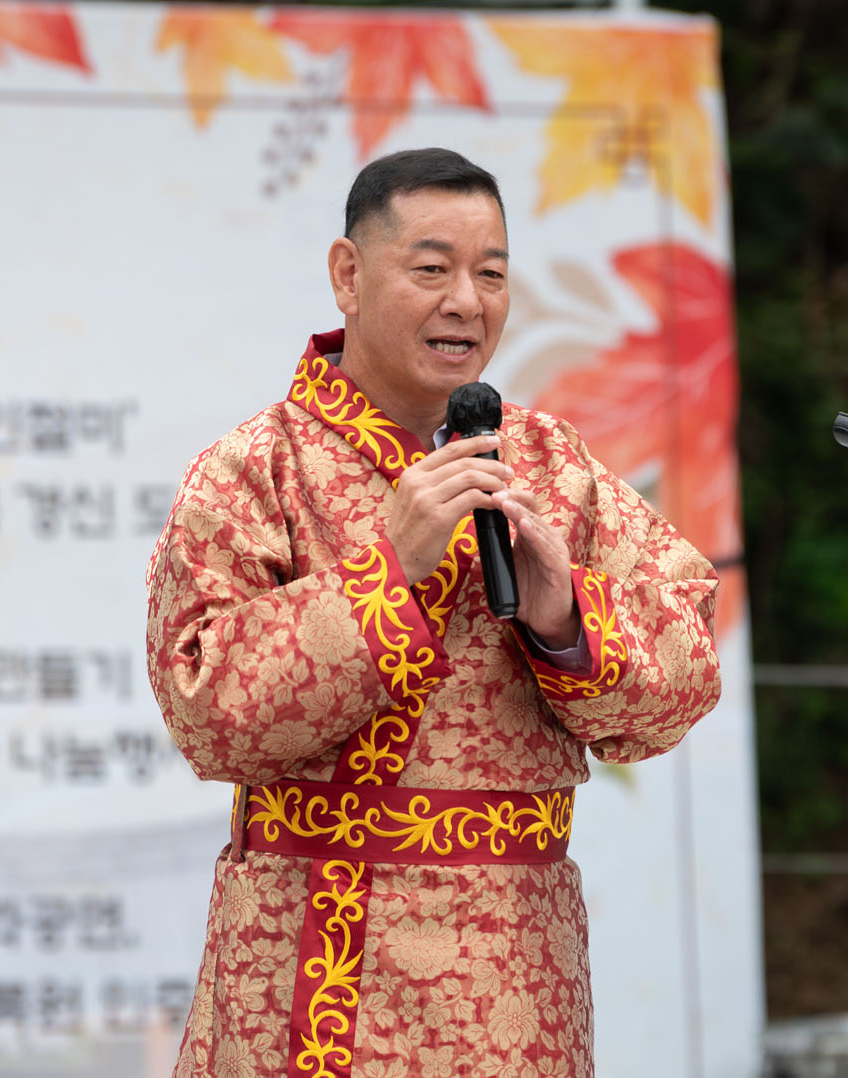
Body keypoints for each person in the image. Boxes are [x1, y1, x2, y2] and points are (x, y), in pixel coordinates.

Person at [145, 147, 721, 1078]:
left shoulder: (555, 465)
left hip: (515, 980)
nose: (466, 301)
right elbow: (208, 713)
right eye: (431, 269)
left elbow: (686, 673)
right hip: (312, 968)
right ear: (348, 275)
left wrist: (564, 619)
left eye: (490, 274)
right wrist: (388, 572)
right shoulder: (255, 467)